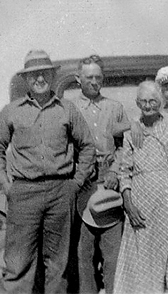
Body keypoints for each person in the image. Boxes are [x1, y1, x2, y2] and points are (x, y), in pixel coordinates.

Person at [0, 50, 96, 294]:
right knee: (18, 263)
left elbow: (87, 146)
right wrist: (6, 185)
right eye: (34, 75)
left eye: (44, 74)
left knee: (58, 265)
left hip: (61, 192)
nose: (40, 79)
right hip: (24, 193)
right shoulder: (11, 111)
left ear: (52, 76)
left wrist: (76, 183)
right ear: (26, 79)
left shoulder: (67, 110)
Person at [114, 81, 168, 294]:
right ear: (137, 103)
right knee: (143, 255)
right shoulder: (131, 132)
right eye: (143, 101)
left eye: (152, 101)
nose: (148, 106)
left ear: (160, 102)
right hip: (141, 202)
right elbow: (124, 171)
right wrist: (128, 204)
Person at [72, 54, 128, 294]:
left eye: (98, 77)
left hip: (109, 182)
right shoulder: (69, 108)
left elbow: (125, 146)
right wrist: (78, 175)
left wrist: (115, 170)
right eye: (89, 77)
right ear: (78, 79)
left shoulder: (114, 108)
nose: (94, 82)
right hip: (82, 183)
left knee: (113, 254)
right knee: (83, 255)